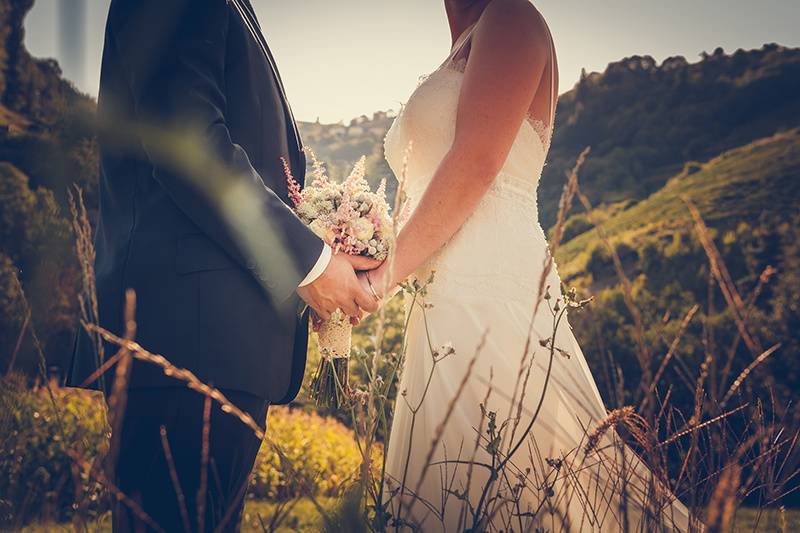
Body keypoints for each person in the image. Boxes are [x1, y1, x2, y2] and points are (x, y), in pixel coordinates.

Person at [370, 0, 694, 530]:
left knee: (513, 468)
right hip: (438, 291)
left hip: (490, 285)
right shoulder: (465, 37)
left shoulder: (510, 17)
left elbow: (476, 162)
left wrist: (382, 278)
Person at [67, 0, 378, 530]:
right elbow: (189, 145)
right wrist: (310, 265)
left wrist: (320, 250)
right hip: (186, 345)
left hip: (215, 351)